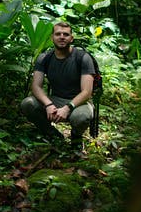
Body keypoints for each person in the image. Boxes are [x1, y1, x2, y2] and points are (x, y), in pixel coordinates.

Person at [21, 22, 95, 150]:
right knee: (27, 103)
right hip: (55, 99)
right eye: (58, 34)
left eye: (66, 34)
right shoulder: (44, 58)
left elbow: (87, 92)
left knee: (81, 117)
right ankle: (52, 135)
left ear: (71, 38)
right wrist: (48, 104)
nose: (62, 37)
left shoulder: (83, 58)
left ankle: (76, 138)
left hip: (79, 103)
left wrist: (68, 107)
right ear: (52, 38)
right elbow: (36, 86)